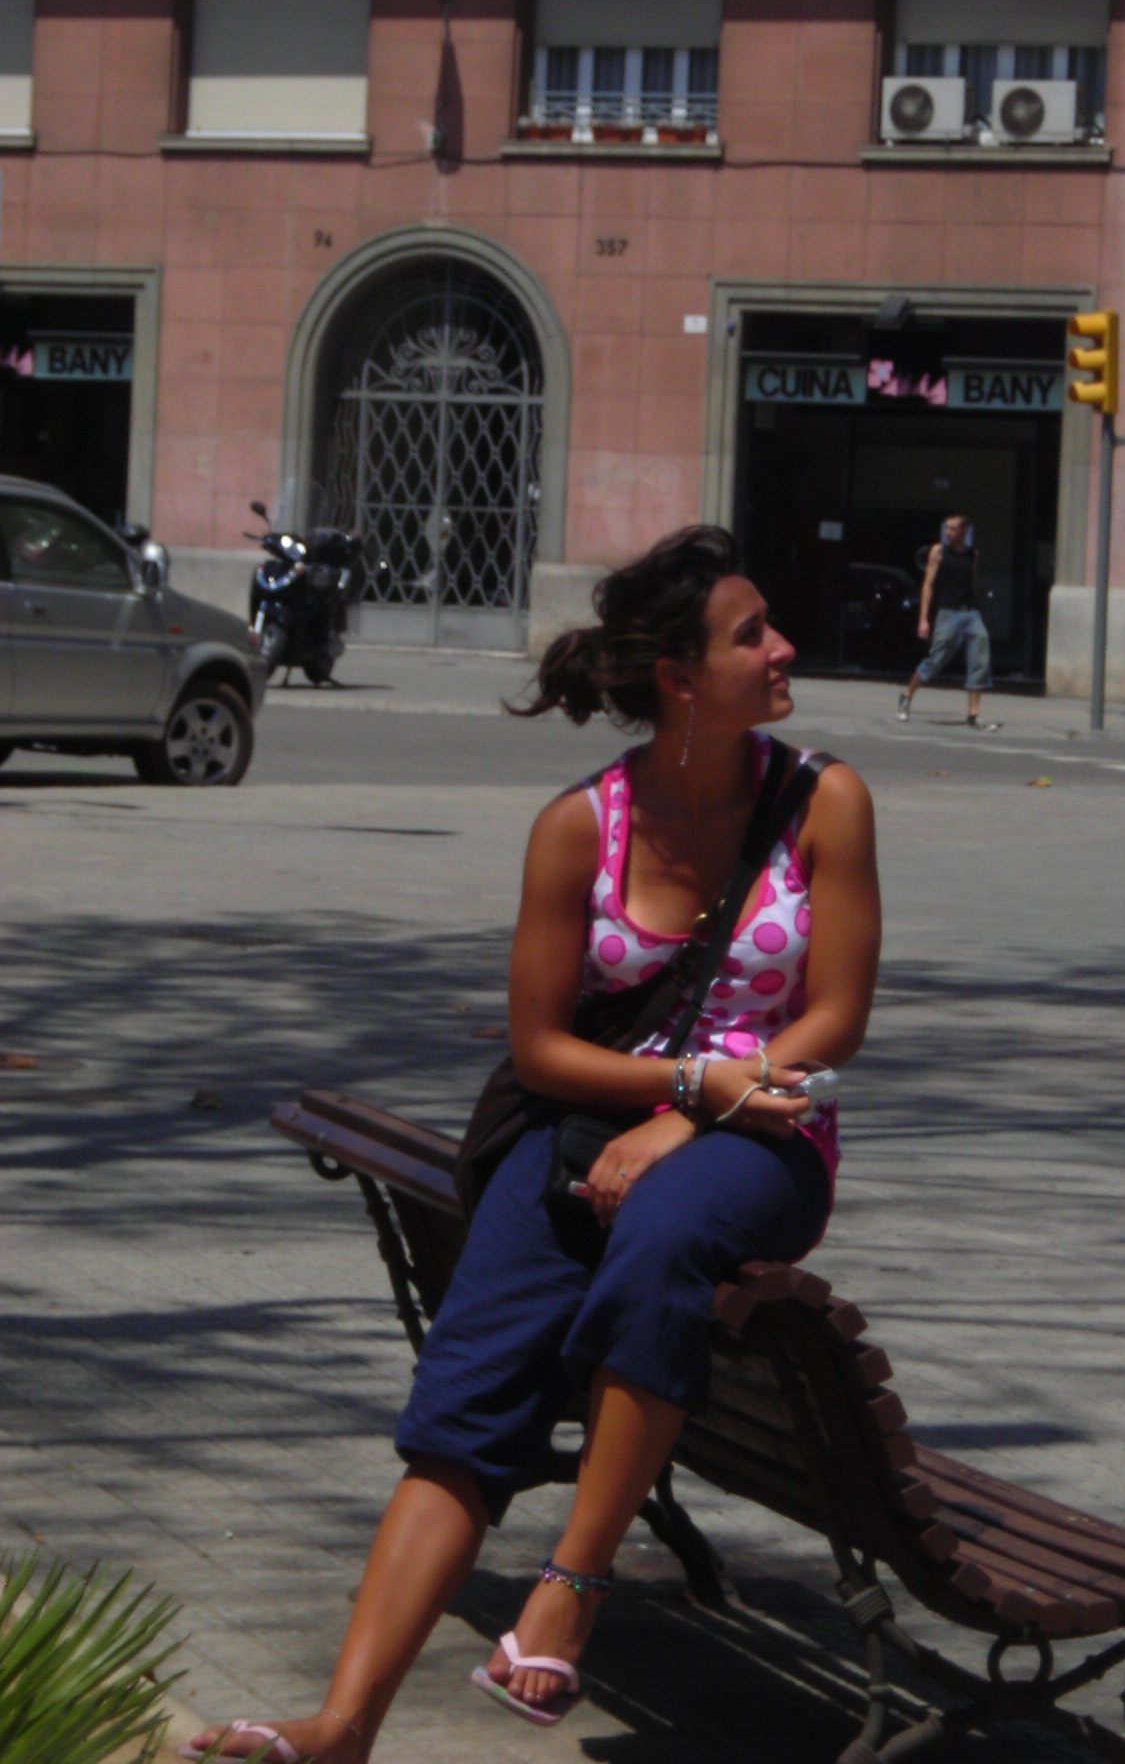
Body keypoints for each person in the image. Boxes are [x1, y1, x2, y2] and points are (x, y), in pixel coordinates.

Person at [183, 525, 881, 1760]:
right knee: (462, 1410)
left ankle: (572, 1582)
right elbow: (544, 1048)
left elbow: (835, 1020)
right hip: (580, 1131)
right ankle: (342, 1726)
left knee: (667, 1224)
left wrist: (694, 1111)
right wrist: (671, 1081)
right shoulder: (581, 826)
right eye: (750, 633)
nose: (783, 649)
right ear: (677, 675)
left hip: (766, 1138)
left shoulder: (825, 799)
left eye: (770, 625)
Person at [897, 512, 1000, 730]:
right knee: (936, 660)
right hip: (948, 613)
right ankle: (907, 695)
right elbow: (928, 585)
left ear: (964, 531)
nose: (948, 533)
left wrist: (980, 608)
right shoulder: (939, 552)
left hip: (971, 613)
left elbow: (972, 583)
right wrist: (923, 619)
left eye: (953, 529)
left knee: (980, 660)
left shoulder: (973, 555)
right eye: (947, 529)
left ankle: (973, 715)